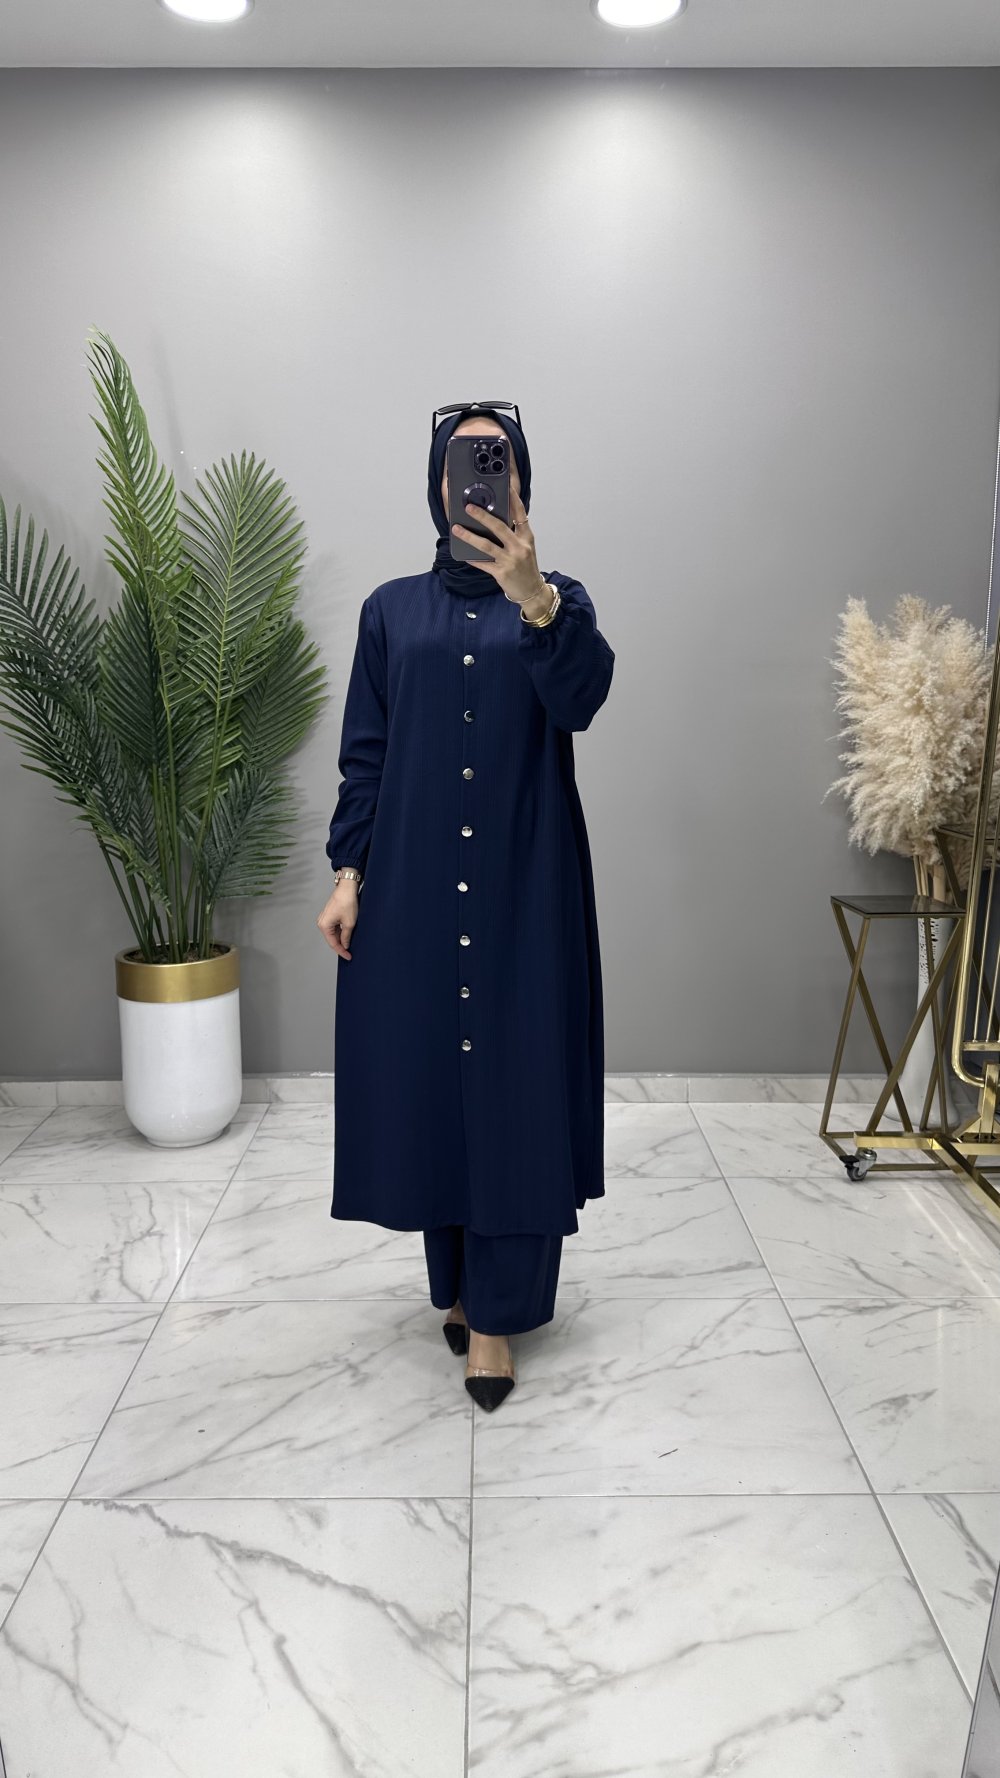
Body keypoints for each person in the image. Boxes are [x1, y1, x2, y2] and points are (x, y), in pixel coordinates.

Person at [317, 401, 615, 1411]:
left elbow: (582, 699)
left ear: (520, 481)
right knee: (436, 1084)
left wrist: (535, 600)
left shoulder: (559, 602)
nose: (478, 479)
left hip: (526, 887)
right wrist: (348, 874)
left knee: (514, 1087)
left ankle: (495, 1320)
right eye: (462, 462)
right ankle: (454, 1285)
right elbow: (366, 754)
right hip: (409, 884)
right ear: (438, 484)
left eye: (496, 462)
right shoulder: (389, 611)